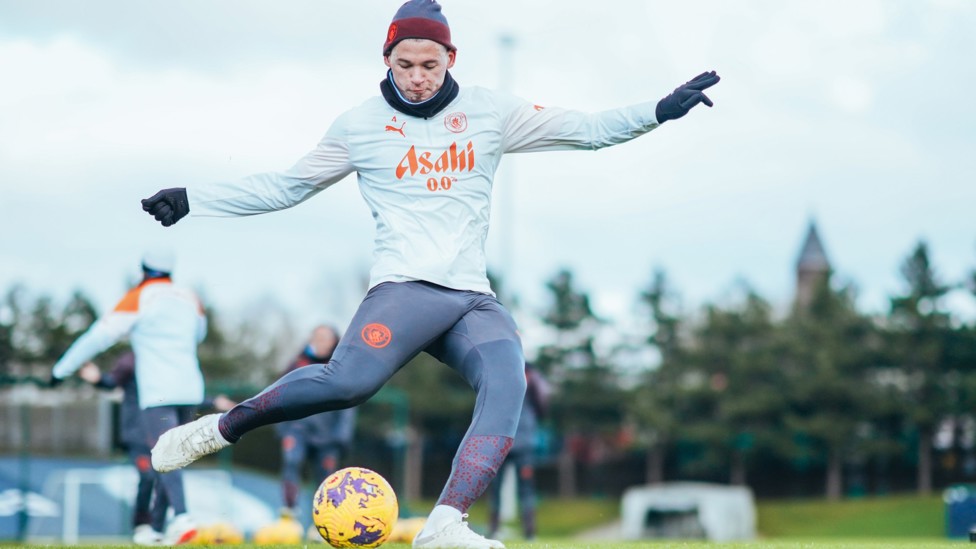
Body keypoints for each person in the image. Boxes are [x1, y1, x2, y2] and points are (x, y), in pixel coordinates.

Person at [141, 2, 720, 547]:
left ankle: (444, 522)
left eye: (429, 64)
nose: (417, 77)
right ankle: (218, 430)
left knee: (509, 381)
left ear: (451, 60)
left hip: (473, 299)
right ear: (386, 61)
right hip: (404, 289)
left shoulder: (492, 112)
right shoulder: (360, 125)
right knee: (347, 385)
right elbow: (287, 187)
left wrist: (659, 110)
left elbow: (589, 130)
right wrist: (196, 197)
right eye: (404, 65)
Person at [51, 247, 208, 546]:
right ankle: (160, 530)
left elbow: (100, 335)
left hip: (159, 393)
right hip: (191, 389)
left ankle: (183, 517)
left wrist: (61, 370)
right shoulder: (191, 298)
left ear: (143, 270)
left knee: (165, 457)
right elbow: (198, 334)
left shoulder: (141, 296)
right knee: (176, 457)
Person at [274, 325, 357, 519]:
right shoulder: (297, 364)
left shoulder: (341, 367)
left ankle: (325, 519)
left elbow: (349, 403)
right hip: (297, 429)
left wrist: (342, 436)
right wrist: (282, 428)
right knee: (291, 461)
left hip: (328, 435)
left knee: (327, 479)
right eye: (317, 337)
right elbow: (278, 394)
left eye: (325, 338)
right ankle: (289, 510)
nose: (320, 342)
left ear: (334, 341)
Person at [77, 352, 156, 542]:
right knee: (148, 477)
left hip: (163, 433)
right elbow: (111, 381)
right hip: (138, 436)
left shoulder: (166, 359)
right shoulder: (132, 360)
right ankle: (142, 526)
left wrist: (211, 401)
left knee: (166, 481)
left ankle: (160, 527)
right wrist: (97, 379)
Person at [486, 364, 549, 541]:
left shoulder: (512, 385)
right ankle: (500, 531)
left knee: (522, 489)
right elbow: (544, 409)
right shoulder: (508, 386)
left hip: (514, 445)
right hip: (506, 445)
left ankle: (527, 532)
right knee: (503, 489)